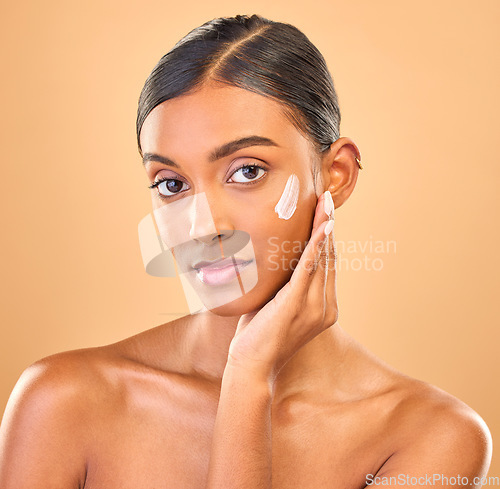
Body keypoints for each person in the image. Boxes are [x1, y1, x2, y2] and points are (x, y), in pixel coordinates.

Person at [0, 13, 492, 488]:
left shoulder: (428, 437)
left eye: (247, 171)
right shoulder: (62, 403)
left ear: (336, 175)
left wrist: (248, 379)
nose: (203, 227)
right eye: (171, 184)